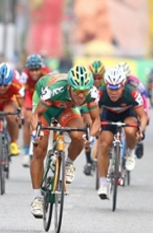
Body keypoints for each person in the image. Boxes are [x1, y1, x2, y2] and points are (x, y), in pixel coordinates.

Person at [29, 65, 101, 218]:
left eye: (84, 91)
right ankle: (37, 198)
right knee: (39, 150)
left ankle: (68, 163)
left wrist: (91, 137)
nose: (81, 96)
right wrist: (38, 132)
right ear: (69, 86)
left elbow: (96, 121)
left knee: (80, 135)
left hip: (65, 108)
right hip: (45, 109)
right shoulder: (54, 89)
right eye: (77, 91)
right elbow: (35, 116)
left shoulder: (92, 93)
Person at [96, 68, 147, 199]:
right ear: (106, 85)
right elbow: (94, 114)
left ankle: (130, 152)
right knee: (105, 144)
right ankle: (103, 184)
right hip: (108, 114)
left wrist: (140, 130)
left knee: (130, 130)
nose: (113, 92)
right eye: (110, 88)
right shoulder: (100, 93)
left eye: (116, 89)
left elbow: (143, 115)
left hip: (127, 113)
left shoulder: (132, 93)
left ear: (123, 86)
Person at [0, 63, 24, 186]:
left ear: (10, 82)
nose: (2, 88)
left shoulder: (17, 84)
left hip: (8, 102)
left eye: (5, 85)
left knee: (11, 116)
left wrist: (21, 116)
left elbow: (22, 104)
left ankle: (13, 141)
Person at [20, 54, 51, 167]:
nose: (34, 73)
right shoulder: (24, 74)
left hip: (42, 95)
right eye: (31, 70)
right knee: (28, 120)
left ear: (41, 68)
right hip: (29, 94)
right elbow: (21, 92)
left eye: (37, 69)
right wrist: (23, 108)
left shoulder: (47, 73)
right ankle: (26, 152)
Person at [116, 62, 149, 159]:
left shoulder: (135, 82)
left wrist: (146, 113)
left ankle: (139, 141)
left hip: (134, 104)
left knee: (141, 118)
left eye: (125, 78)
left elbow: (144, 98)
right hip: (119, 105)